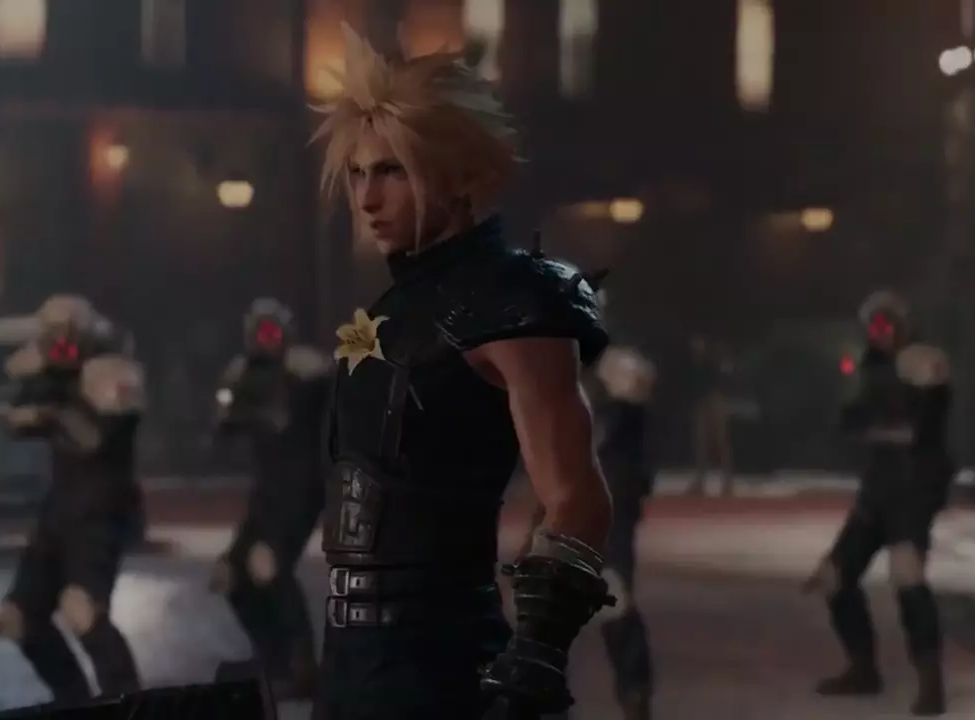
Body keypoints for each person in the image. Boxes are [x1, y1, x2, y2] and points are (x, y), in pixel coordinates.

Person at [309, 25, 614, 719]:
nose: (367, 198)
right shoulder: (392, 310)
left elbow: (576, 498)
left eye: (392, 171)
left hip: (442, 655)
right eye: (358, 173)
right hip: (351, 657)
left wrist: (534, 656)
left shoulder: (511, 301)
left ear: (459, 173)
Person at [0, 294, 144, 702]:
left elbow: (95, 437)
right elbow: (15, 414)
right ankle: (73, 698)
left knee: (82, 608)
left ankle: (126, 698)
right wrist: (34, 405)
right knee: (19, 617)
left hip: (102, 508)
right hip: (60, 506)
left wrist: (48, 415)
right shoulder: (49, 372)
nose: (62, 344)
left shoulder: (110, 369)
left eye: (68, 334)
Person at [804, 290, 952, 716]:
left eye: (885, 325)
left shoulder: (921, 363)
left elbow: (920, 424)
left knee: (907, 576)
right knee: (834, 578)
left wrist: (878, 424)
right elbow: (856, 417)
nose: (878, 333)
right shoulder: (875, 368)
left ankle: (930, 682)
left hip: (913, 490)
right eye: (874, 326)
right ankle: (863, 668)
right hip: (879, 489)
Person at [519, 284, 657, 720]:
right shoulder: (555, 370)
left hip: (608, 497)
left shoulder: (615, 367)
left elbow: (638, 383)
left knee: (613, 594)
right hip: (563, 496)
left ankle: (635, 694)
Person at [208, 297, 331, 699]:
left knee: (269, 566)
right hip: (268, 488)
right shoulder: (244, 372)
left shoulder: (306, 369)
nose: (266, 339)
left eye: (271, 331)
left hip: (301, 485)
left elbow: (326, 411)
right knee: (232, 575)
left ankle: (301, 664)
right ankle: (275, 659)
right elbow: (224, 422)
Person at [688, 335, 734, 496]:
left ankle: (727, 481)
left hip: (715, 400)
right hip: (703, 402)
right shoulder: (696, 364)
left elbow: (721, 382)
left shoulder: (712, 362)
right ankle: (701, 479)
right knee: (701, 442)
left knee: (720, 441)